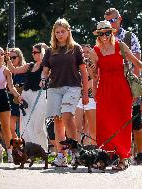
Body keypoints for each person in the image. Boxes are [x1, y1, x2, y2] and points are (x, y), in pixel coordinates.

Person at [90, 20, 142, 170]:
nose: (105, 36)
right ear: (98, 35)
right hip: (104, 88)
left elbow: (135, 61)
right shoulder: (95, 50)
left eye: (107, 32)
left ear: (112, 32)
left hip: (122, 88)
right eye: (101, 33)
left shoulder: (120, 45)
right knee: (104, 123)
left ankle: (123, 157)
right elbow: (94, 76)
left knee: (123, 122)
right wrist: (93, 88)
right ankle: (105, 156)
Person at [41, 18, 89, 167]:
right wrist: (43, 79)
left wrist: (85, 92)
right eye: (57, 32)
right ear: (54, 34)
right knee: (57, 120)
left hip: (72, 87)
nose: (60, 35)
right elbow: (45, 70)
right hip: (54, 88)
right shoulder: (50, 51)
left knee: (67, 117)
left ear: (68, 32)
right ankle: (61, 155)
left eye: (62, 31)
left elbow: (83, 71)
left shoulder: (75, 48)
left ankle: (75, 153)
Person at [104, 8, 142, 165]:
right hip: (111, 84)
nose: (110, 24)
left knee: (135, 123)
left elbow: (137, 63)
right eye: (107, 21)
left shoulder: (129, 36)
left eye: (113, 20)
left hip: (128, 83)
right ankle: (118, 152)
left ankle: (140, 153)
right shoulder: (104, 37)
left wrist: (135, 87)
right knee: (116, 121)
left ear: (120, 19)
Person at [6, 43, 49, 151]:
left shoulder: (46, 66)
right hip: (26, 96)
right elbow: (14, 70)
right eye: (32, 52)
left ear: (41, 53)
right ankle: (29, 151)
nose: (33, 54)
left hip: (39, 96)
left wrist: (43, 47)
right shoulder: (29, 65)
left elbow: (48, 52)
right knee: (26, 124)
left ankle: (42, 149)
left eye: (35, 52)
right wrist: (7, 59)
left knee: (38, 125)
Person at [75, 44, 96, 145]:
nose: (86, 54)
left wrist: (85, 88)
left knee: (89, 126)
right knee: (77, 126)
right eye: (83, 52)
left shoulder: (93, 64)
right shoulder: (75, 64)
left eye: (88, 52)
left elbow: (94, 79)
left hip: (91, 98)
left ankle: (88, 148)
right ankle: (77, 150)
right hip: (77, 97)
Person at [8, 48, 26, 139]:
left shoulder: (25, 70)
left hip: (22, 101)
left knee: (23, 128)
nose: (11, 60)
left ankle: (24, 148)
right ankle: (17, 148)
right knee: (10, 128)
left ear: (19, 57)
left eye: (14, 57)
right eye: (9, 58)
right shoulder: (7, 72)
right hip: (10, 101)